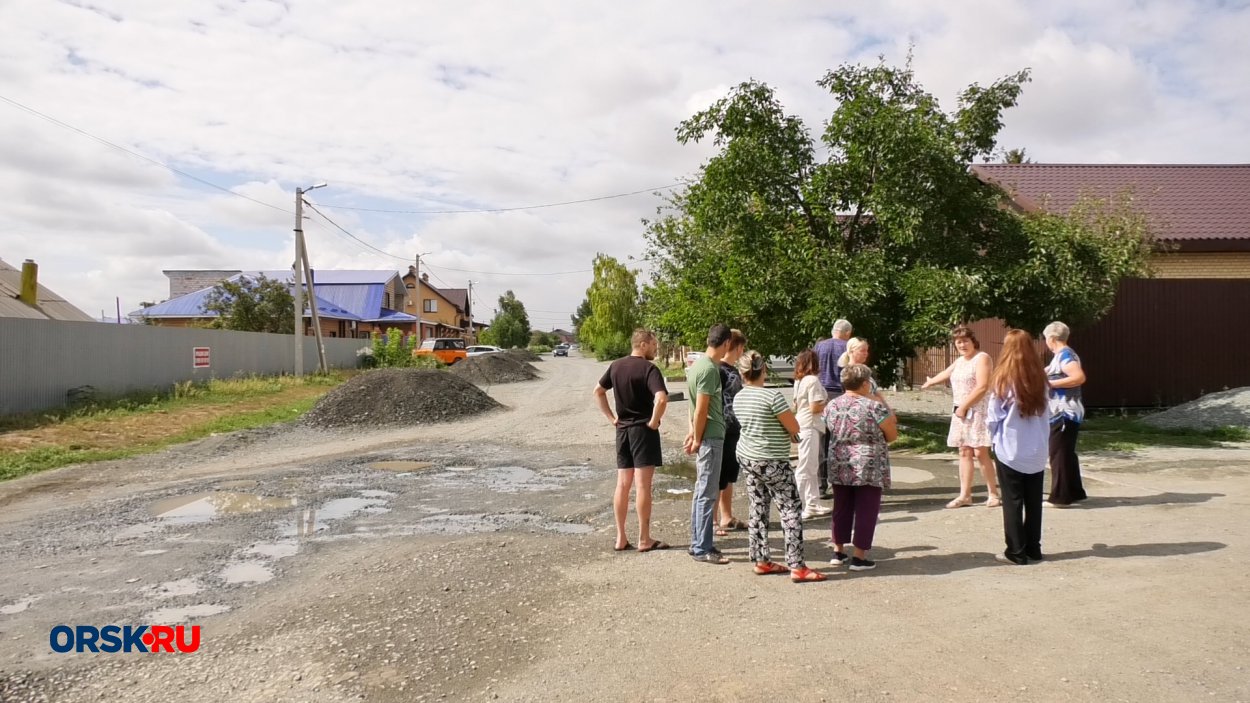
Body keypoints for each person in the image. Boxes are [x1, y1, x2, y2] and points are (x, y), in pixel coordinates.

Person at [732, 350, 826, 582]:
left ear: (743, 373)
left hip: (748, 457)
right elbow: (793, 427)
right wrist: (793, 436)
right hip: (772, 460)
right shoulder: (772, 398)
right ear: (763, 370)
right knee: (790, 509)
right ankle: (797, 566)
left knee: (758, 508)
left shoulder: (739, 397)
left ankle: (761, 559)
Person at [593, 328, 671, 553]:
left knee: (622, 484)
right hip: (643, 431)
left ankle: (620, 537)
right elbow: (662, 398)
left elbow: (598, 391)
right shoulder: (649, 369)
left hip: (623, 431)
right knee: (643, 485)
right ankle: (644, 539)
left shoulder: (616, 366)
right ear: (644, 344)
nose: (656, 349)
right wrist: (654, 421)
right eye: (654, 345)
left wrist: (612, 418)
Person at [986, 329, 1051, 565]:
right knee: (1034, 501)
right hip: (1036, 448)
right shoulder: (1041, 378)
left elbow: (994, 417)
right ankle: (1034, 548)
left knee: (1013, 501)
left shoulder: (1003, 378)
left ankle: (1016, 551)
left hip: (1010, 448)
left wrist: (992, 439)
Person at [824, 363, 897, 572]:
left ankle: (838, 551)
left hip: (839, 460)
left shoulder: (832, 405)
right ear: (865, 383)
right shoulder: (874, 406)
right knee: (867, 509)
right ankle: (859, 556)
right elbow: (891, 434)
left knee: (841, 507)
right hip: (869, 463)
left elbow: (828, 427)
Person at [920, 326, 1001, 509]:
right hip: (961, 412)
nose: (962, 345)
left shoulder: (982, 358)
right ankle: (965, 495)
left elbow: (982, 386)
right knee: (964, 451)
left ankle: (993, 493)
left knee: (981, 452)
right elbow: (946, 373)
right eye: (958, 342)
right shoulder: (960, 361)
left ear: (973, 341)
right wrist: (931, 381)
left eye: (965, 340)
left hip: (978, 410)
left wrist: (965, 406)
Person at [684, 324, 733, 564]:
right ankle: (703, 547)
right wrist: (698, 437)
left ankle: (697, 544)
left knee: (701, 491)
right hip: (711, 437)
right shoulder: (710, 370)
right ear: (726, 344)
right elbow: (701, 408)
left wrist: (693, 433)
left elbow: (692, 407)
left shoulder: (697, 366)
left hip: (706, 435)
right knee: (707, 492)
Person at [1043, 321, 1088, 507]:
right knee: (1067, 453)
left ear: (1052, 338)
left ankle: (1061, 497)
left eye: (1046, 338)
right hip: (1065, 411)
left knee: (1058, 453)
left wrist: (1051, 384)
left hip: (1063, 412)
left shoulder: (1065, 356)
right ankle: (1075, 492)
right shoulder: (1062, 356)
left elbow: (1078, 377)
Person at [814, 319, 853, 499]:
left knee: (822, 441)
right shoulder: (847, 347)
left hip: (820, 394)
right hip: (840, 394)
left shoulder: (819, 346)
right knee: (841, 439)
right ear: (847, 333)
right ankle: (840, 482)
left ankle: (821, 485)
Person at [714, 330, 748, 536]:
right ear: (735, 346)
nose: (742, 351)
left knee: (729, 475)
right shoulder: (718, 370)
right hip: (722, 428)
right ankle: (714, 521)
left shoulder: (732, 370)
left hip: (735, 428)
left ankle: (727, 516)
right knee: (717, 477)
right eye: (741, 347)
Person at [792, 349, 831, 520]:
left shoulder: (799, 381)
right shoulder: (813, 380)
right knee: (806, 467)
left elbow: (796, 403)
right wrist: (828, 404)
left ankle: (812, 503)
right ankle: (795, 505)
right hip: (810, 425)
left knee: (811, 465)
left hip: (803, 423)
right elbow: (815, 407)